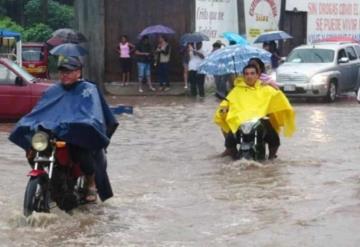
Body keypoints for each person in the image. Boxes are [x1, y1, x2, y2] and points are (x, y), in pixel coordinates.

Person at [9, 56, 118, 203]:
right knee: (32, 149)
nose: (64, 75)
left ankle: (90, 183)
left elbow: (92, 114)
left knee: (83, 152)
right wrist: (28, 122)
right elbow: (40, 110)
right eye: (61, 72)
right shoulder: (52, 90)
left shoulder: (88, 90)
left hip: (76, 133)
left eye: (68, 71)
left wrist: (82, 123)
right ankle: (46, 180)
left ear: (78, 72)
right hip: (52, 132)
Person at [215, 64, 295, 159]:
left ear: (257, 75)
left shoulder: (266, 88)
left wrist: (283, 107)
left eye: (252, 73)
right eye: (247, 74)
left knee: (274, 140)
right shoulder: (236, 90)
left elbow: (279, 98)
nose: (249, 76)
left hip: (259, 120)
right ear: (243, 76)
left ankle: (271, 158)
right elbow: (226, 102)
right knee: (229, 142)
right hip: (239, 121)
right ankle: (234, 157)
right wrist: (223, 110)